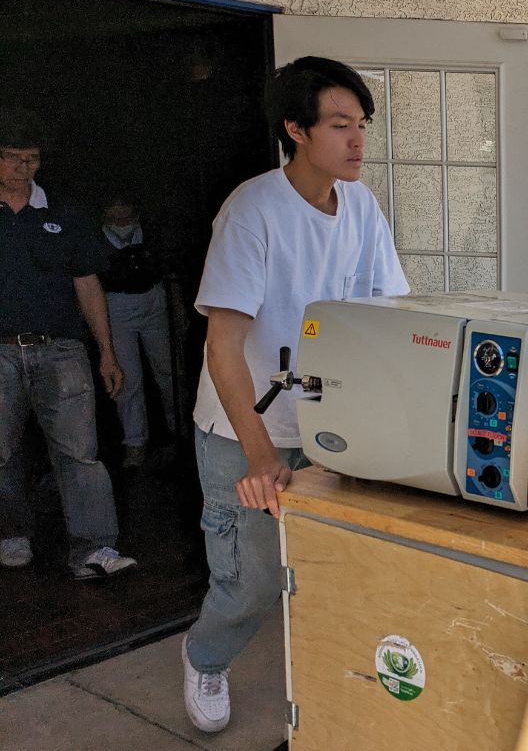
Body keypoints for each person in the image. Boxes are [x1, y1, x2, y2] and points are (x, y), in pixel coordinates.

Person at [181, 57, 409, 734]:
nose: (357, 140)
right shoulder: (253, 210)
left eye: (361, 125)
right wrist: (258, 458)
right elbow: (223, 344)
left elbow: (382, 317)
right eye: (340, 125)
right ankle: (205, 654)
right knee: (249, 581)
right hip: (243, 432)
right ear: (296, 130)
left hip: (331, 424)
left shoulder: (361, 205)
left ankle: (331, 683)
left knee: (337, 568)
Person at [0, 108, 137, 579]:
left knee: (80, 452)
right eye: (13, 158)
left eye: (31, 159)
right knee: (2, 450)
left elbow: (87, 283)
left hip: (60, 348)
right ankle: (10, 532)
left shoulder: (62, 212)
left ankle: (94, 548)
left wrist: (107, 351)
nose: (23, 168)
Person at [98, 195, 178, 470]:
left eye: (125, 204)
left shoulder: (152, 231)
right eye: (114, 205)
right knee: (127, 378)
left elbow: (170, 270)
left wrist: (176, 307)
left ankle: (180, 429)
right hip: (117, 305)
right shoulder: (98, 237)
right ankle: (135, 442)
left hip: (154, 301)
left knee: (168, 371)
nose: (120, 210)